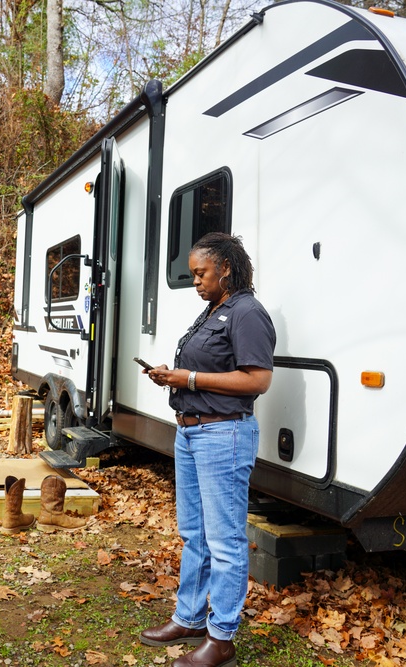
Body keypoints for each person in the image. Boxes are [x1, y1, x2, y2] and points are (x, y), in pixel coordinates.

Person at [139, 232, 275, 667]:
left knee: (226, 539)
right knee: (194, 534)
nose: (195, 281)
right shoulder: (212, 311)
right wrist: (172, 375)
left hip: (223, 436)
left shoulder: (248, 312)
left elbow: (257, 379)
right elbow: (202, 367)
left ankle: (222, 637)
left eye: (201, 273)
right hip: (191, 434)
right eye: (193, 274)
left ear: (226, 268)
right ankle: (190, 618)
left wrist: (190, 379)